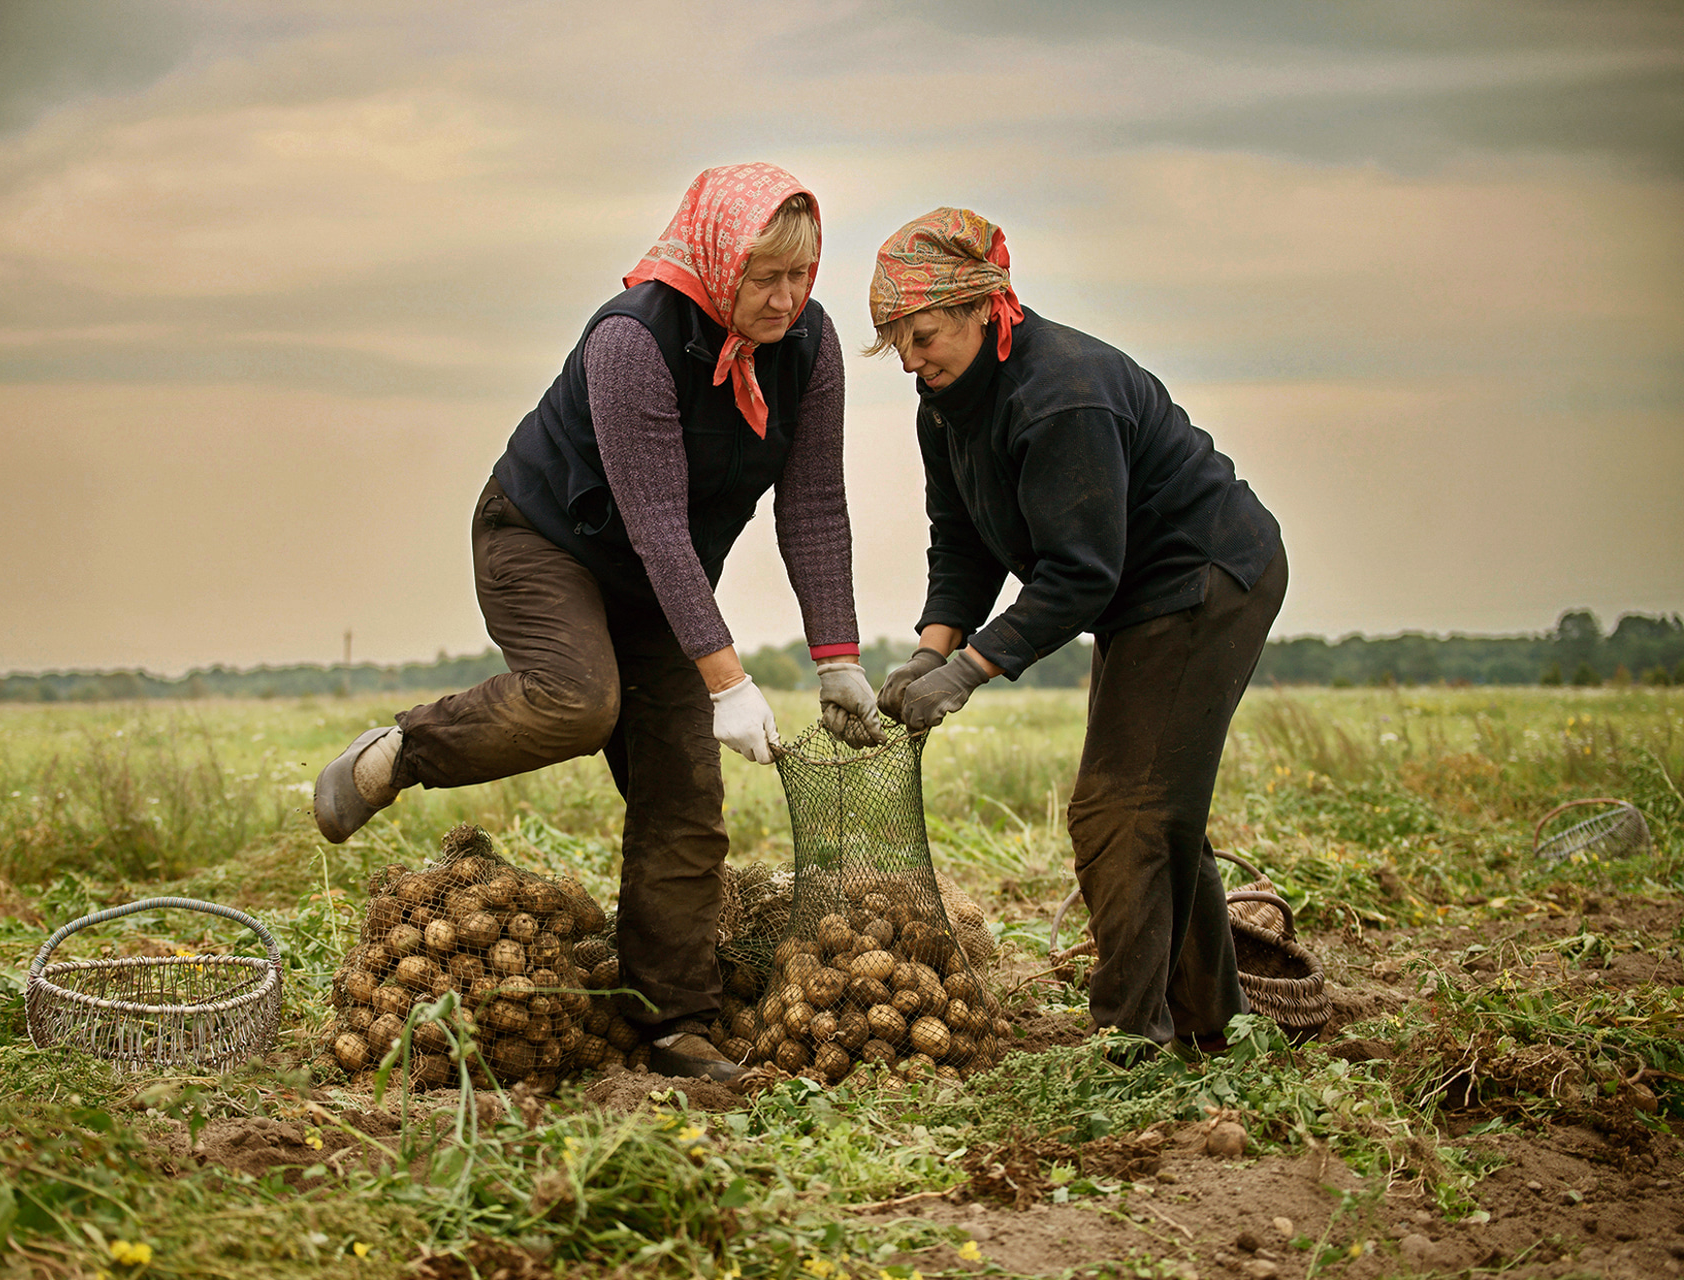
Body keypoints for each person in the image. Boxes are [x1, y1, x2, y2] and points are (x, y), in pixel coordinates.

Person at [313, 164, 883, 1083]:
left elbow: (814, 506)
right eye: (765, 277)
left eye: (802, 275)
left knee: (686, 799)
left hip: (662, 582)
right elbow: (656, 522)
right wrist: (729, 682)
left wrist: (837, 660)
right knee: (579, 702)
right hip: (543, 540)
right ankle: (403, 750)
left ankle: (675, 1025)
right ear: (716, 260)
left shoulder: (808, 346)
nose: (786, 299)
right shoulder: (634, 339)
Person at [865, 208, 1286, 1055]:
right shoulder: (943, 406)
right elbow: (962, 542)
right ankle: (1212, 1025)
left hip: (1203, 581)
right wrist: (929, 652)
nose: (913, 360)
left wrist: (972, 671)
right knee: (1158, 812)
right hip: (1139, 596)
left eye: (926, 334)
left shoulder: (1063, 396)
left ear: (984, 306)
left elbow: (1081, 573)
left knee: (1118, 811)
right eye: (896, 343)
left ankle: (1127, 1038)